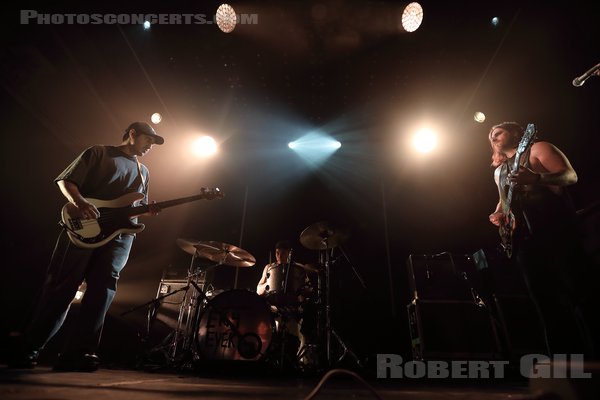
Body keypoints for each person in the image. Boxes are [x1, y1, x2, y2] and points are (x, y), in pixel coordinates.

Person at [9, 121, 164, 371]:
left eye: (154, 144)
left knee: (102, 292)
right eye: (148, 139)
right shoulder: (99, 152)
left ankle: (78, 353)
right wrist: (80, 203)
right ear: (132, 134)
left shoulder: (143, 171)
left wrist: (148, 210)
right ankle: (29, 349)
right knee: (62, 288)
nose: (150, 146)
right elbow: (65, 181)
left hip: (118, 239)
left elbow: (132, 208)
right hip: (82, 229)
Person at [487, 121, 596, 356]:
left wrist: (536, 179)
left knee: (583, 298)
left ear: (517, 134)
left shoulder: (538, 149)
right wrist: (499, 213)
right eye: (491, 135)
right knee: (548, 309)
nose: (492, 136)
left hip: (559, 234)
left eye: (498, 131)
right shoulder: (499, 172)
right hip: (526, 244)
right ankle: (568, 372)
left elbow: (570, 176)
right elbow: (505, 201)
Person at [256, 240, 318, 365]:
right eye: (277, 253)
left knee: (303, 337)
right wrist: (268, 284)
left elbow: (309, 289)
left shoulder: (299, 268)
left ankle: (302, 364)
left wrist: (303, 289)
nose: (279, 256)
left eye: (283, 253)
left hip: (294, 311)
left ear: (289, 253)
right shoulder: (269, 268)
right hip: (274, 310)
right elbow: (258, 290)